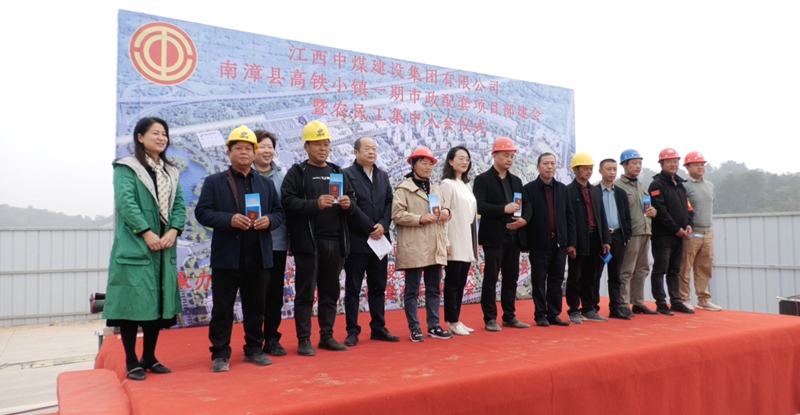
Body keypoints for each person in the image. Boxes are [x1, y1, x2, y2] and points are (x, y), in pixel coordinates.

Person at [196, 125, 285, 372]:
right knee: (223, 309)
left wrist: (269, 220)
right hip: (227, 257)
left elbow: (279, 213)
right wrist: (230, 220)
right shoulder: (214, 182)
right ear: (229, 153)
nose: (244, 153)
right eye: (238, 148)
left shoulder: (265, 184)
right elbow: (202, 212)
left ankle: (254, 349)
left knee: (256, 307)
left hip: (258, 255)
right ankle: (220, 353)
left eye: (248, 149)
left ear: (254, 153)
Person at [104, 117, 186, 381]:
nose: (162, 138)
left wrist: (173, 230)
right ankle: (131, 360)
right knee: (132, 304)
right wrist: (147, 232)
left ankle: (149, 356)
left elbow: (179, 205)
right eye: (155, 133)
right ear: (140, 137)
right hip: (136, 245)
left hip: (163, 247)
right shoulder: (126, 167)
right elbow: (126, 203)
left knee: (157, 304)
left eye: (164, 134)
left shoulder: (170, 171)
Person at [282, 120, 356, 356]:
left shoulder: (337, 172)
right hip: (309, 244)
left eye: (326, 144)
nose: (323, 149)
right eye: (317, 144)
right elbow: (287, 202)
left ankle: (327, 336)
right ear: (306, 147)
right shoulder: (298, 172)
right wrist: (314, 204)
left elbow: (353, 201)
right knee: (305, 294)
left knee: (330, 292)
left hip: (336, 243)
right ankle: (304, 339)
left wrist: (348, 203)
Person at [342, 137, 400, 346]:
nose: (371, 152)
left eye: (374, 149)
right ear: (356, 152)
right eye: (367, 148)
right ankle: (352, 330)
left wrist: (383, 225)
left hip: (379, 242)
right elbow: (350, 205)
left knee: (378, 287)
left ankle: (378, 327)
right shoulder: (346, 174)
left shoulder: (382, 175)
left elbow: (389, 202)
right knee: (353, 289)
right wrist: (370, 228)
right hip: (358, 242)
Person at [392, 147, 453, 342]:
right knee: (412, 290)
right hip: (415, 246)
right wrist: (420, 218)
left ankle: (434, 325)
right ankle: (414, 328)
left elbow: (445, 207)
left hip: (434, 245)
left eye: (430, 164)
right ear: (413, 164)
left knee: (434, 288)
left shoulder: (435, 188)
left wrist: (446, 213)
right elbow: (397, 214)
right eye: (423, 163)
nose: (428, 167)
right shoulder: (404, 189)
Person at [472, 137, 531, 332]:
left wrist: (524, 220)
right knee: (491, 278)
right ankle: (490, 317)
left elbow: (525, 204)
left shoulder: (516, 181)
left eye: (512, 156)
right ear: (494, 155)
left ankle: (509, 316)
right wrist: (503, 209)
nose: (509, 159)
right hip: (494, 237)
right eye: (506, 155)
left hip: (514, 236)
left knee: (511, 277)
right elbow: (479, 205)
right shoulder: (483, 180)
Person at [523, 153, 576, 327]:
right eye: (545, 163)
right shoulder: (529, 189)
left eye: (552, 163)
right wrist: (525, 243)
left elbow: (570, 217)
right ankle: (540, 314)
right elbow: (525, 217)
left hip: (559, 243)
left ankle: (554, 313)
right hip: (538, 243)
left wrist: (571, 242)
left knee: (556, 279)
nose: (549, 167)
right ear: (538, 166)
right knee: (539, 280)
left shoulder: (562, 189)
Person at [252, 130, 290, 356]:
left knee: (274, 295)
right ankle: (254, 342)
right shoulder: (245, 176)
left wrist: (291, 239)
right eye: (262, 146)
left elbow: (288, 210)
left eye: (270, 147)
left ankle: (272, 339)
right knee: (254, 296)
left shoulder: (282, 176)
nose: (267, 151)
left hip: (277, 244)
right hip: (251, 245)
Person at [565, 153, 611, 324]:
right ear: (575, 170)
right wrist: (571, 243)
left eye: (590, 168)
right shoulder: (568, 191)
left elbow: (602, 216)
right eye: (585, 168)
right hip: (578, 240)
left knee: (592, 276)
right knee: (575, 276)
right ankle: (573, 310)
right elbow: (567, 219)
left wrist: (605, 240)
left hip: (595, 238)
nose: (589, 172)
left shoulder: (596, 191)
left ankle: (589, 308)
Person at [648, 148, 694, 315]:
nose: (673, 164)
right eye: (669, 162)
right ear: (661, 164)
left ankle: (676, 301)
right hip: (663, 236)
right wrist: (676, 229)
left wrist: (689, 224)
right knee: (660, 269)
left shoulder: (680, 184)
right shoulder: (656, 184)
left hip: (680, 235)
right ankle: (661, 303)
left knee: (675, 270)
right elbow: (660, 211)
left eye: (675, 161)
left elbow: (688, 208)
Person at [440, 146, 478, 336]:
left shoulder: (466, 185)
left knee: (461, 282)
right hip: (454, 240)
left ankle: (456, 319)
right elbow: (443, 215)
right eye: (461, 158)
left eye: (467, 159)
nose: (465, 162)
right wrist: (446, 241)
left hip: (466, 239)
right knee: (453, 283)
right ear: (450, 161)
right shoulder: (447, 184)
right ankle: (452, 321)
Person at [615, 149, 659, 316]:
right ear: (624, 165)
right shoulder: (618, 186)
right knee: (627, 270)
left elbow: (646, 208)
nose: (638, 166)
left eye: (639, 163)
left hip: (645, 231)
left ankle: (638, 302)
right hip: (630, 234)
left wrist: (654, 212)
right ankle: (623, 303)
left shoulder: (642, 186)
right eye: (634, 163)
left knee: (642, 269)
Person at [680, 151, 722, 311]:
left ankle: (703, 299)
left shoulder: (709, 185)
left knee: (705, 267)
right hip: (692, 233)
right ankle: (684, 299)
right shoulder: (684, 186)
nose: (700, 167)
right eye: (696, 165)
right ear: (687, 167)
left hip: (708, 232)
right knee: (685, 268)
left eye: (702, 165)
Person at [596, 159, 633, 320]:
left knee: (616, 274)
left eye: (614, 169)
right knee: (595, 274)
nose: (612, 172)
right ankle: (592, 307)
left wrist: (627, 235)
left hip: (617, 236)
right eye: (608, 169)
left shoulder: (621, 193)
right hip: (599, 237)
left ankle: (615, 307)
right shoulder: (594, 191)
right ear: (600, 171)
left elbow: (627, 217)